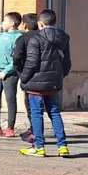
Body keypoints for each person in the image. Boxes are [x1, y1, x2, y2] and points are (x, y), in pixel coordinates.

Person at [19, 9, 72, 158]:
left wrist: (24, 78)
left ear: (40, 24)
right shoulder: (64, 38)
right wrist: (61, 76)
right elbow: (67, 62)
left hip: (35, 82)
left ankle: (39, 147)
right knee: (54, 113)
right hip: (54, 83)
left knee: (36, 114)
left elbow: (31, 62)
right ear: (54, 22)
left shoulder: (36, 39)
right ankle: (62, 147)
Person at [12, 13, 40, 142]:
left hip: (29, 77)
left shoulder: (22, 39)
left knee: (31, 106)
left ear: (24, 25)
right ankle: (57, 135)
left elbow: (17, 57)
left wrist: (21, 73)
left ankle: (35, 132)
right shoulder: (44, 37)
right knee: (51, 109)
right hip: (48, 77)